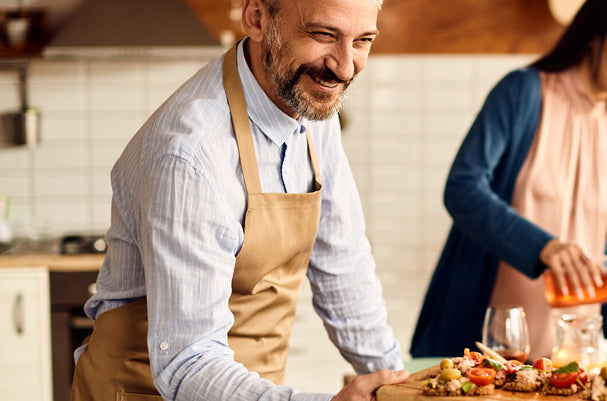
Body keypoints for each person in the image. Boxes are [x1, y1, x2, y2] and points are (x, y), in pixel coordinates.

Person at [69, 0, 408, 400]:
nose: (346, 67)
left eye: (363, 41)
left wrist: (400, 385)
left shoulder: (312, 108)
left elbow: (343, 264)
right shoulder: (191, 155)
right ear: (257, 18)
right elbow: (188, 363)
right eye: (323, 35)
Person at [410, 0, 607, 360]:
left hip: (573, 354)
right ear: (595, 35)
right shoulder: (522, 92)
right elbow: (463, 188)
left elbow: (602, 249)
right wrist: (545, 247)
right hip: (492, 347)